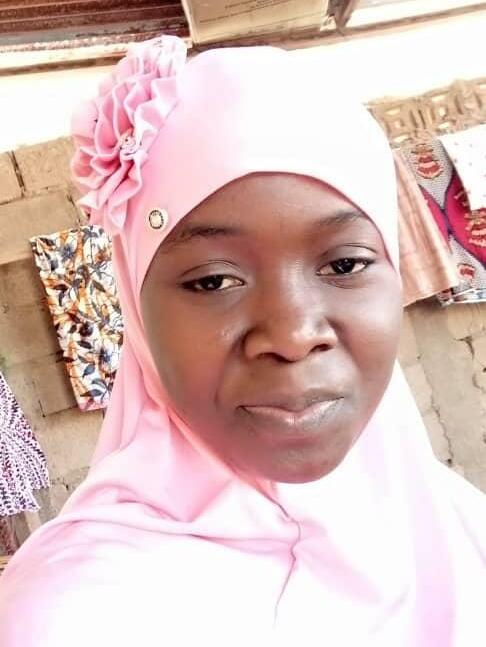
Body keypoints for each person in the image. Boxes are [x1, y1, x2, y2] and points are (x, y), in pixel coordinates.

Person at [0, 35, 485, 647]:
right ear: (138, 313)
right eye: (213, 280)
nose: (292, 336)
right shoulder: (79, 617)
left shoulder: (451, 520)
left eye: (345, 264)